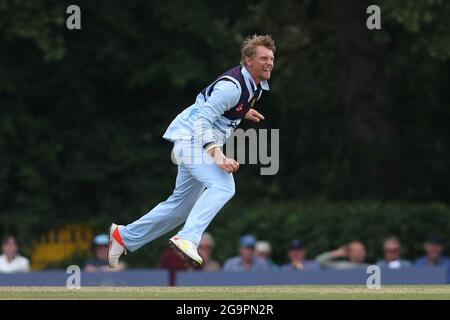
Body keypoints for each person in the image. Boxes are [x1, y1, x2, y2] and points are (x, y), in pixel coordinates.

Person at [107, 34, 276, 268]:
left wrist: (241, 112)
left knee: (181, 207)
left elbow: (220, 108)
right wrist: (217, 155)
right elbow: (202, 119)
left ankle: (123, 237)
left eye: (271, 58)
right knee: (224, 185)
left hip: (195, 142)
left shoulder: (255, 87)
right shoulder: (231, 87)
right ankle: (187, 238)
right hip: (191, 139)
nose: (269, 63)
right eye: (263, 58)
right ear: (248, 60)